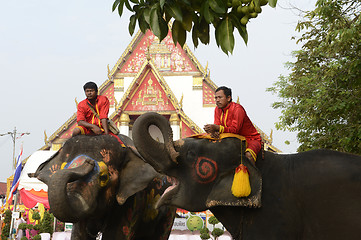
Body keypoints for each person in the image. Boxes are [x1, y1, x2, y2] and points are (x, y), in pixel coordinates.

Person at [204, 86, 262, 164]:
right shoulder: (217, 110)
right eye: (216, 98)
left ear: (228, 98)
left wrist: (217, 128)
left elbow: (235, 130)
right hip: (231, 139)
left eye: (220, 97)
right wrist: (213, 131)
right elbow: (218, 126)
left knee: (248, 155)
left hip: (250, 139)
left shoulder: (238, 109)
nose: (217, 100)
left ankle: (253, 176)